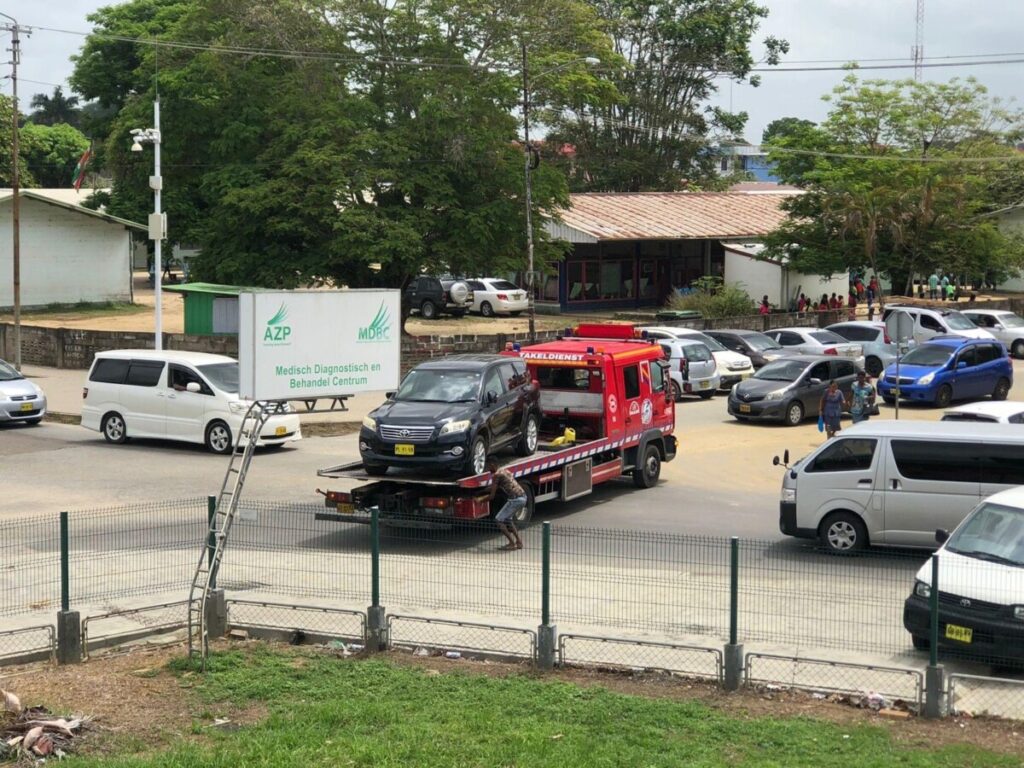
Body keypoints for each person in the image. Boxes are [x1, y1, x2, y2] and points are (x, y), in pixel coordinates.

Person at [486, 459, 525, 551]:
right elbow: (497, 487)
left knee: (498, 520)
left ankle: (511, 543)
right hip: (523, 497)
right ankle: (519, 542)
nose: (487, 469)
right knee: (508, 519)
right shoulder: (505, 471)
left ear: (492, 465)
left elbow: (492, 496)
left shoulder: (496, 475)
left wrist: (480, 500)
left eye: (488, 466)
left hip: (515, 500)